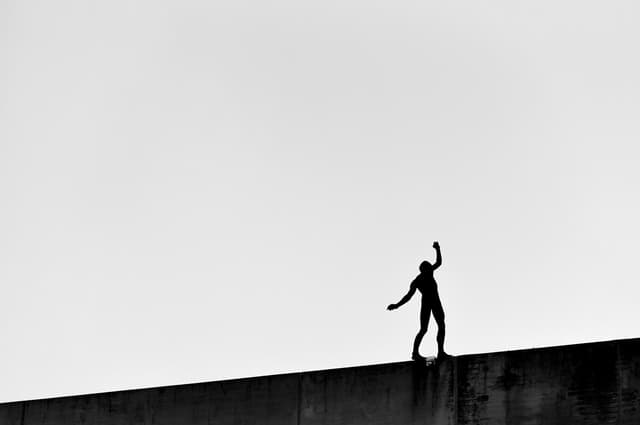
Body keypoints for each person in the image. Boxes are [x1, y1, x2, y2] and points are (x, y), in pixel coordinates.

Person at [387, 241, 449, 361]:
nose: (430, 270)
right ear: (423, 270)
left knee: (440, 325)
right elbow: (408, 296)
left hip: (434, 302)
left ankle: (440, 352)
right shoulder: (418, 280)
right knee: (425, 329)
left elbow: (439, 263)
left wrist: (437, 249)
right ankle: (415, 353)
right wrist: (397, 305)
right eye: (428, 269)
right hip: (428, 303)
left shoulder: (426, 275)